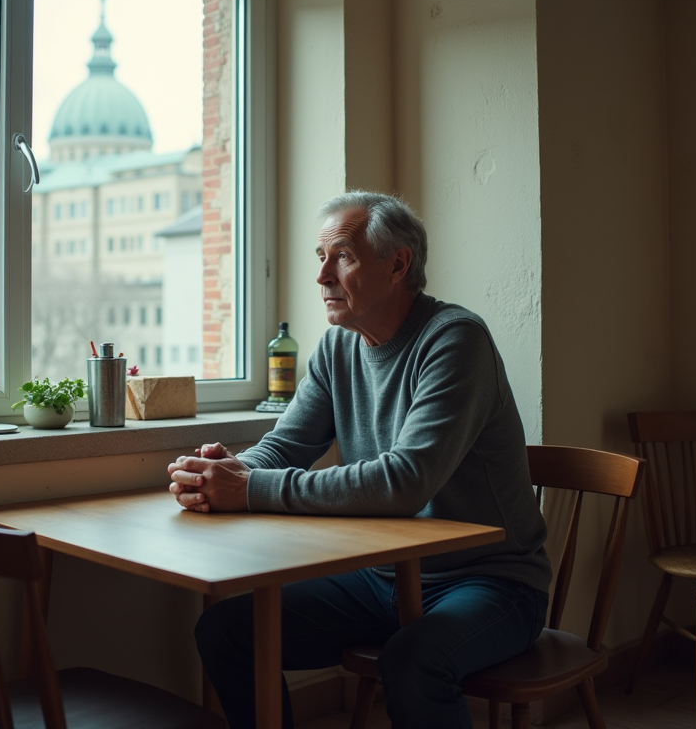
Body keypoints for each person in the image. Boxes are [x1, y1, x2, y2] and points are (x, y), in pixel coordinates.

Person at [168, 191, 551, 729]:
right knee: (226, 631)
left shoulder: (455, 339)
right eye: (319, 257)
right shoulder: (336, 348)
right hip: (383, 578)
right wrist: (227, 470)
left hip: (491, 581)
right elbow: (286, 445)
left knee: (413, 660)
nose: (321, 276)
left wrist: (248, 488)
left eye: (342, 256)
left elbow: (405, 482)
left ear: (398, 264)